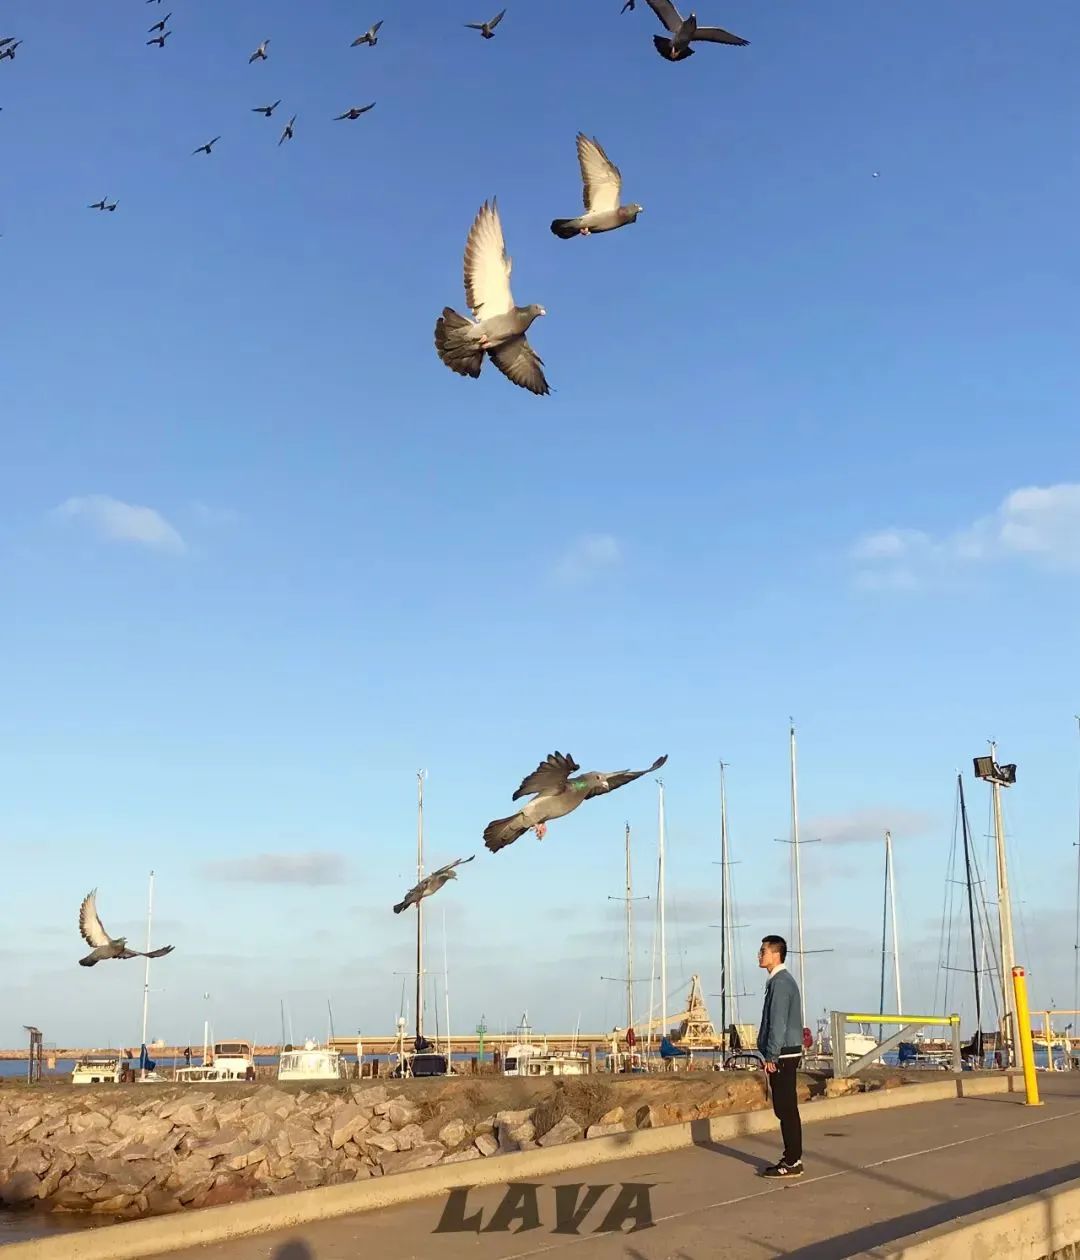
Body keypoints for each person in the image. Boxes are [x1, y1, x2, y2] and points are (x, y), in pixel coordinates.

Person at [757, 934, 804, 1177]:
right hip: (784, 1052)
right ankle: (792, 1158)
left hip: (783, 1054)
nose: (759, 954)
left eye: (763, 951)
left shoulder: (781, 983)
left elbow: (778, 1022)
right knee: (785, 1109)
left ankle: (792, 1161)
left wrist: (771, 1056)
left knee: (786, 1109)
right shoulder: (778, 981)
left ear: (775, 954)